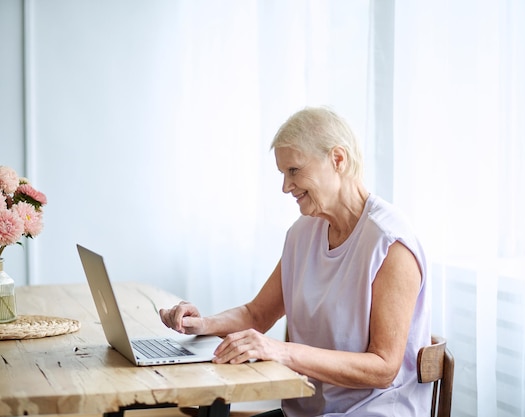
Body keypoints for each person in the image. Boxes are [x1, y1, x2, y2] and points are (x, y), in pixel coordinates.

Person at [159, 107, 432, 416]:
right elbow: (257, 313)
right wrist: (201, 324)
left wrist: (280, 351)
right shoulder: (303, 233)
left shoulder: (390, 242)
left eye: (294, 171)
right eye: (283, 174)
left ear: (337, 160)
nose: (286, 187)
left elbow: (383, 368)